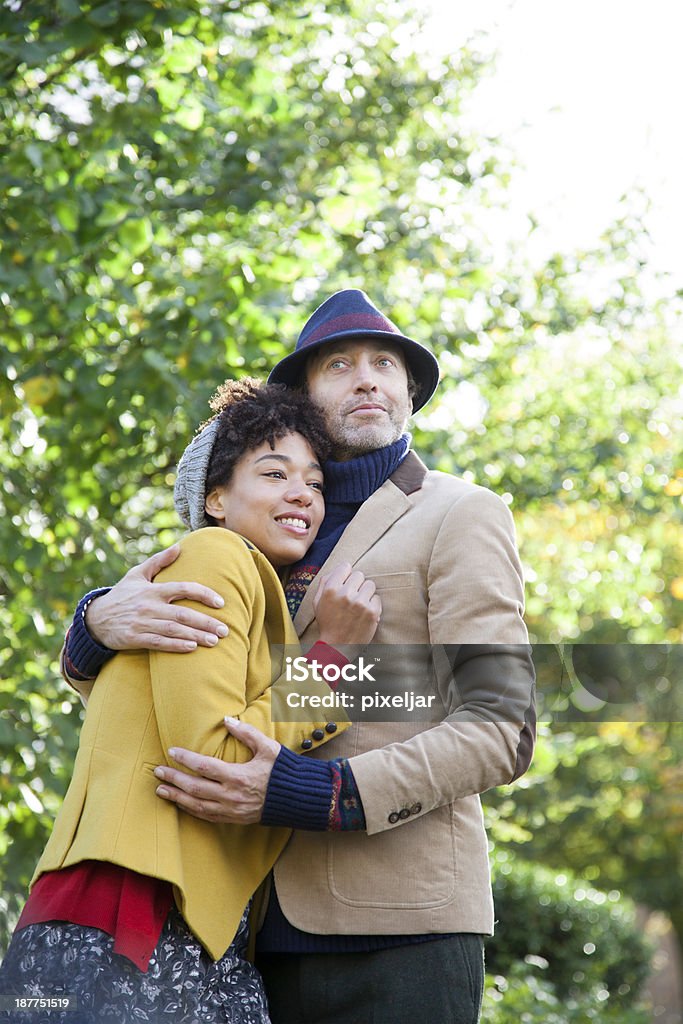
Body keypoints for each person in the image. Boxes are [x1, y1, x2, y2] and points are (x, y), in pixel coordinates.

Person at [56, 289, 536, 1024]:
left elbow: (500, 724)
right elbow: (182, 707)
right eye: (339, 365)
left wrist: (325, 793)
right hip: (232, 933)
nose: (368, 377)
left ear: (409, 391)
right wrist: (95, 623)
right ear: (304, 398)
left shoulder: (461, 512)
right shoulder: (257, 523)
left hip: (399, 928)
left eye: (385, 363)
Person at [0, 380, 382, 1024]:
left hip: (185, 929)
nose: (302, 495)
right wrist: (335, 657)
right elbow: (211, 757)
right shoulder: (215, 555)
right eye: (274, 472)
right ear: (215, 498)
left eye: (315, 483)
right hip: (126, 918)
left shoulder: (246, 585)